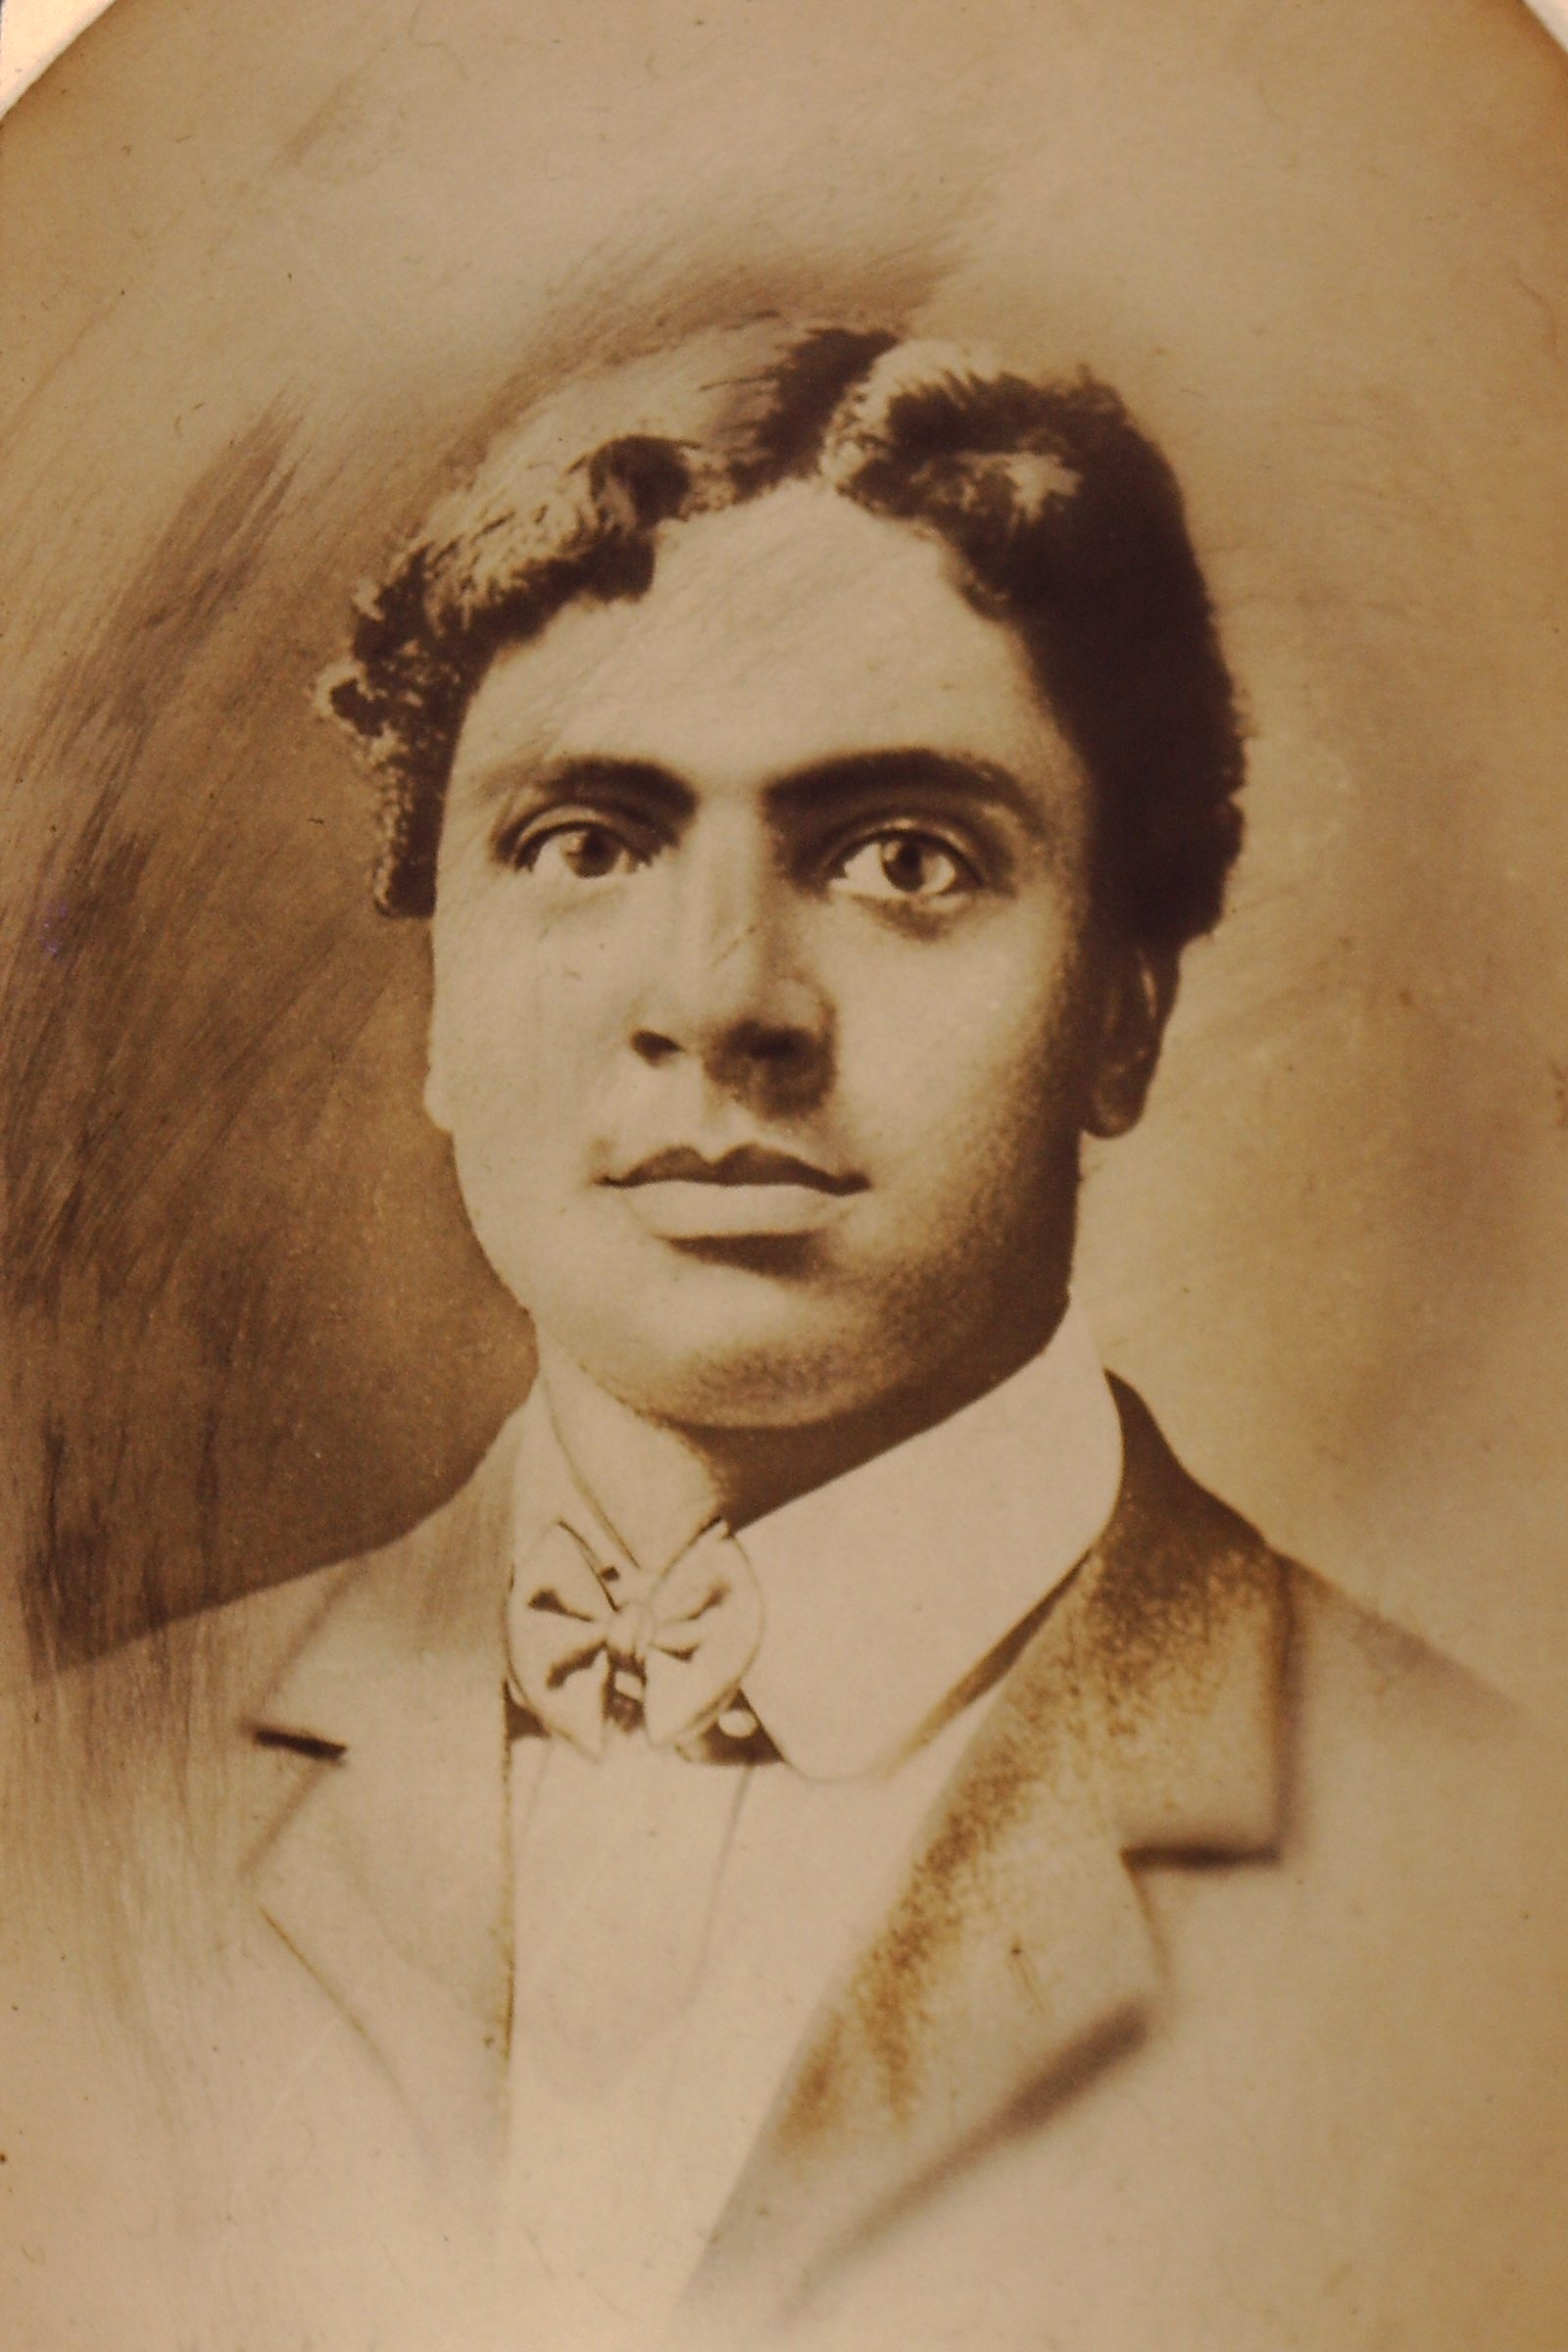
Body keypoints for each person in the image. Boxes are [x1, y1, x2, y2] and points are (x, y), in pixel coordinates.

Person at [4, 318, 1565, 2352]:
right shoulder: (59, 1821)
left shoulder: (1487, 1877)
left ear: (1126, 1009)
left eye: (902, 858)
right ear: (443, 1002)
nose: (722, 1000)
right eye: (587, 844)